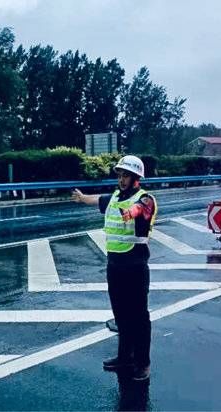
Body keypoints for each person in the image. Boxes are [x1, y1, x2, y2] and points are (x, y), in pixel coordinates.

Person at [72, 155, 157, 381]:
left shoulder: (145, 199)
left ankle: (143, 363)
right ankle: (124, 357)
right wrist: (82, 198)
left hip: (136, 266)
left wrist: (131, 212)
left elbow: (140, 210)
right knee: (121, 315)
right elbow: (97, 199)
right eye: (119, 175)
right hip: (115, 265)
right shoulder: (114, 198)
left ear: (136, 178)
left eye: (125, 175)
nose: (121, 179)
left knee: (139, 317)